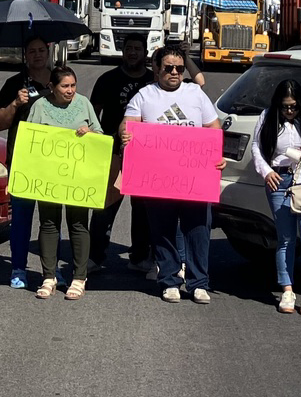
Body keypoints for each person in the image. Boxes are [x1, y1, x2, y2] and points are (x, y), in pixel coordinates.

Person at [122, 44, 226, 304]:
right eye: (168, 68)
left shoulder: (196, 94)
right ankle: (169, 279)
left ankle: (198, 282)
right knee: (163, 230)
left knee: (199, 230)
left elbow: (213, 128)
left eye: (179, 68)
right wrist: (126, 135)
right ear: (157, 69)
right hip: (159, 179)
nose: (175, 73)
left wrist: (217, 155)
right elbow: (129, 128)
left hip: (195, 178)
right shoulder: (144, 96)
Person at [247, 79, 301, 316]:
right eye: (285, 107)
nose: (289, 111)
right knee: (285, 238)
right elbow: (257, 146)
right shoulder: (268, 116)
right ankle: (287, 288)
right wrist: (266, 172)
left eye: (294, 106)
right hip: (279, 179)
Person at [22, 64, 104, 299]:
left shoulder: (84, 103)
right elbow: (30, 140)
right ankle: (49, 276)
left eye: (73, 85)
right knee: (48, 224)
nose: (70, 90)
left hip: (78, 177)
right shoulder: (40, 106)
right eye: (64, 86)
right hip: (49, 177)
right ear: (52, 87)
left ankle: (79, 278)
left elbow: (99, 133)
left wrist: (89, 133)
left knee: (78, 224)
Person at [89, 32, 156, 275]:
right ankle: (94, 256)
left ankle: (139, 257)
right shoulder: (107, 79)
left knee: (142, 210)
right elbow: (93, 113)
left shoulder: (154, 81)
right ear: (122, 51)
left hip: (146, 158)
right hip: (113, 154)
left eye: (138, 48)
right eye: (128, 48)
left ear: (145, 53)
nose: (133, 52)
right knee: (104, 208)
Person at [0, 35, 58, 288]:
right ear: (25, 55)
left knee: (51, 220)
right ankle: (18, 268)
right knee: (21, 219)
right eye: (31, 51)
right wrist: (15, 104)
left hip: (54, 163)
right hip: (23, 161)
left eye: (41, 50)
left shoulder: (60, 81)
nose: (37, 55)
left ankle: (51, 272)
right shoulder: (14, 83)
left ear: (48, 52)